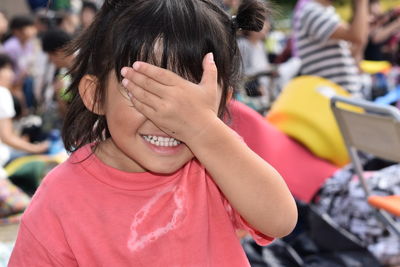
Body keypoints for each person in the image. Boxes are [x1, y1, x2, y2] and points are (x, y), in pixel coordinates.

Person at [9, 0, 298, 266]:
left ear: (222, 104)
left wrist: (203, 128)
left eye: (188, 102)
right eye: (143, 91)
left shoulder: (213, 158)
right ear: (96, 94)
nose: (166, 117)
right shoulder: (59, 201)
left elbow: (280, 220)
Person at [293, 0, 369, 97]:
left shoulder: (327, 11)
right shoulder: (311, 11)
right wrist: (361, 3)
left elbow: (356, 44)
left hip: (340, 97)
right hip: (332, 99)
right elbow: (356, 36)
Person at [0, 53, 48, 167]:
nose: (11, 74)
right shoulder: (3, 93)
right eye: (7, 69)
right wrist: (35, 149)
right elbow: (7, 137)